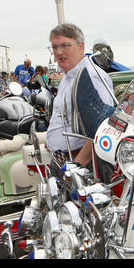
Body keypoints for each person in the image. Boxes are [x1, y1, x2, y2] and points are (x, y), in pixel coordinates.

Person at [45, 23, 114, 174]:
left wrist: (77, 165)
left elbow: (104, 127)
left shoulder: (91, 76)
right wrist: (52, 141)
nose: (59, 52)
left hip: (84, 165)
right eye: (54, 47)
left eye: (65, 45)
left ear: (81, 46)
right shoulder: (68, 76)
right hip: (64, 159)